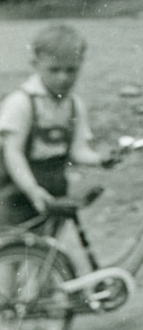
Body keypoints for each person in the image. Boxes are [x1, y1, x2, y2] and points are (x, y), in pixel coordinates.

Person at [0, 24, 115, 229]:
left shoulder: (73, 105)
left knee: (49, 253)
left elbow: (77, 151)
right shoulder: (22, 102)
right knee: (13, 250)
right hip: (17, 191)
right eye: (54, 70)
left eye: (71, 70)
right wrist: (32, 189)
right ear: (35, 64)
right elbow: (13, 153)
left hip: (55, 191)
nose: (63, 78)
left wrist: (100, 159)